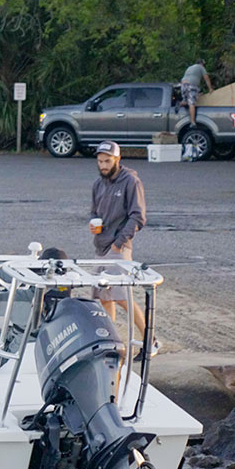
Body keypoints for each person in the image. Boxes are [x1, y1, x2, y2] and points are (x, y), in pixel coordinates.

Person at [88, 140, 158, 358]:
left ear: (118, 159)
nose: (103, 166)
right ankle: (112, 343)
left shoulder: (131, 181)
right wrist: (93, 223)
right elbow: (93, 212)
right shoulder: (98, 184)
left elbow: (138, 216)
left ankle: (151, 340)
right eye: (100, 161)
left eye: (107, 161)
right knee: (104, 297)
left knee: (122, 297)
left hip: (118, 248)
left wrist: (120, 242)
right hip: (100, 245)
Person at [180, 59, 213, 127]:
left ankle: (179, 104)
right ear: (202, 63)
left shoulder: (190, 67)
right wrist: (210, 89)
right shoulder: (201, 67)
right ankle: (192, 122)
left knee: (186, 101)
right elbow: (206, 78)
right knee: (192, 103)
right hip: (191, 85)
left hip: (183, 85)